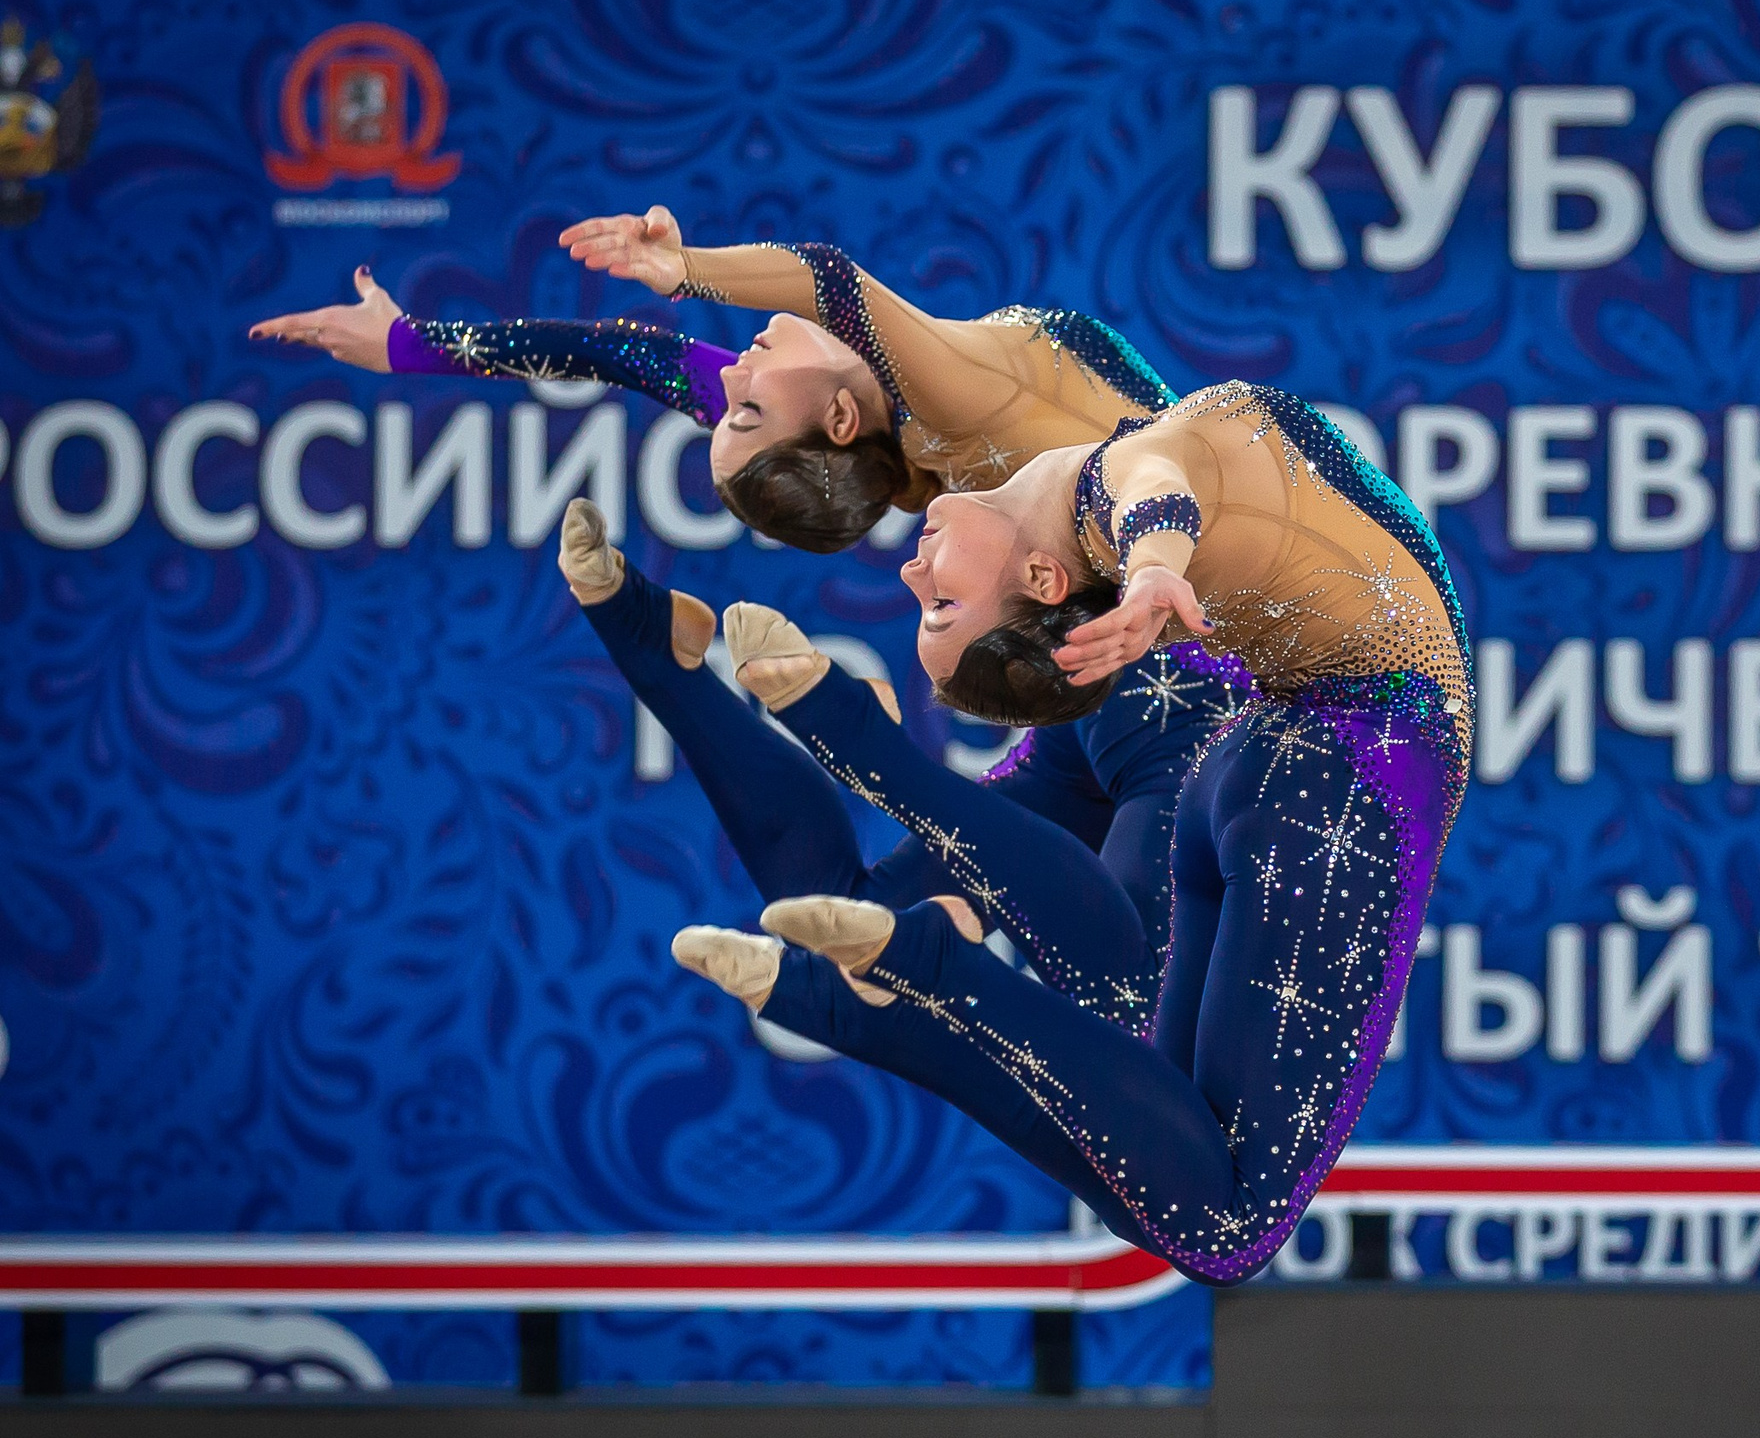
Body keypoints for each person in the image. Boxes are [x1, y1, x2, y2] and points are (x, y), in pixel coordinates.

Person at [249, 254, 1245, 1021]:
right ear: (844, 418)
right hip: (1153, 716)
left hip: (1119, 710)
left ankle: (676, 664)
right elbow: (752, 312)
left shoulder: (898, 419)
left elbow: (638, 357)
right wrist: (421, 342)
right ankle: (808, 726)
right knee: (1077, 986)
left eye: (737, 404)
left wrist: (420, 344)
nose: (733, 367)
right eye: (744, 403)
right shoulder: (922, 417)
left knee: (881, 935)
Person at [671, 381, 1472, 1284]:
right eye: (938, 608)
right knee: (1222, 1226)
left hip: (1266, 759)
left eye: (930, 608)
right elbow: (1151, 484)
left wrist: (686, 305)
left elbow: (834, 349)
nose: (908, 573)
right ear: (1047, 582)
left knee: (1161, 1172)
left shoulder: (1081, 470)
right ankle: (924, 947)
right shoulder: (1100, 487)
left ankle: (910, 996)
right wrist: (1157, 558)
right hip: (1345, 759)